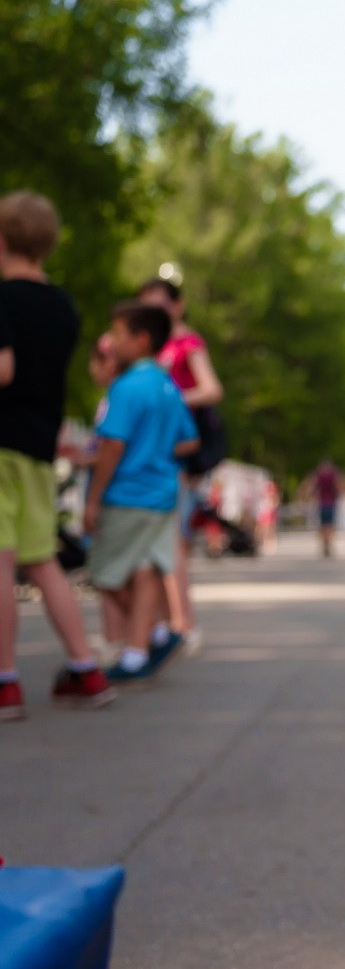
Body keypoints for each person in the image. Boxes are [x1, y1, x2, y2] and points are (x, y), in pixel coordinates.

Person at [0, 192, 115, 719]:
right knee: (42, 560)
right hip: (41, 447)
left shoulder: (2, 299)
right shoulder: (63, 307)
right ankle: (85, 667)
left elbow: (4, 369)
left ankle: (5, 682)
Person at [86, 302, 198, 683]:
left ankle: (152, 635)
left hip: (127, 492)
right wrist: (156, 451)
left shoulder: (127, 385)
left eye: (118, 334)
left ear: (142, 338)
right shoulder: (168, 385)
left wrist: (92, 498)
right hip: (162, 492)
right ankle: (143, 647)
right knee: (144, 571)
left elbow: (112, 445)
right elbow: (188, 439)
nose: (113, 343)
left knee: (104, 573)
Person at [137, 276, 222, 657]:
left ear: (177, 305)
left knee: (170, 540)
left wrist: (167, 399)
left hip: (175, 451)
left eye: (161, 304)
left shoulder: (186, 343)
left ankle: (181, 624)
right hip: (147, 450)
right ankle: (157, 625)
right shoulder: (145, 346)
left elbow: (211, 389)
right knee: (157, 541)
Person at [309, 458, 345, 558]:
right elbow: (340, 486)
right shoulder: (333, 475)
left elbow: (312, 488)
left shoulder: (318, 475)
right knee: (329, 525)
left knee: (323, 525)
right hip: (330, 503)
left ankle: (325, 545)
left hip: (322, 503)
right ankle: (328, 544)